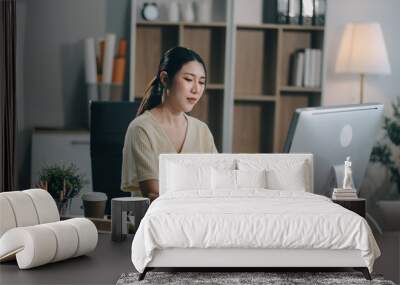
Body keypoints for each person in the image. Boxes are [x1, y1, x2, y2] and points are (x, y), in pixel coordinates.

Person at [121, 46, 217, 201]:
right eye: (188, 79)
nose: (196, 89)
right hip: (154, 221)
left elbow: (217, 183)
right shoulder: (141, 128)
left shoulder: (202, 131)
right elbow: (153, 194)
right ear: (165, 79)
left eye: (201, 82)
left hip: (197, 219)